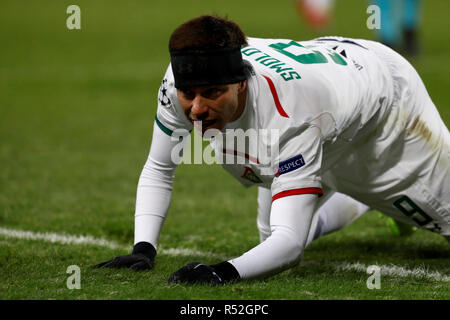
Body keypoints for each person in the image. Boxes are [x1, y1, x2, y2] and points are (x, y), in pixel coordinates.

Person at [94, 15, 449, 285]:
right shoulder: (180, 78)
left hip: (388, 97)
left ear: (239, 83)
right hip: (333, 96)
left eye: (212, 93)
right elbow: (160, 166)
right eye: (190, 94)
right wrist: (143, 249)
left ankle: (366, 191)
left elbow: (290, 246)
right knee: (268, 239)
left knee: (281, 237)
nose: (197, 108)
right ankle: (361, 194)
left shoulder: (292, 114)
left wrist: (221, 273)